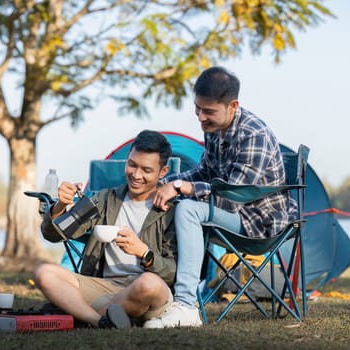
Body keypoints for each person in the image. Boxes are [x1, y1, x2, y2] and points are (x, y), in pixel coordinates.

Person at [146, 66, 298, 328]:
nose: (201, 118)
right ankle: (162, 295)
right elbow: (204, 172)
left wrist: (181, 187)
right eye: (197, 109)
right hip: (235, 216)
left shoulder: (254, 134)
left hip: (259, 224)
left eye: (208, 111)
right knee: (174, 203)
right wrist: (163, 184)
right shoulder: (214, 128)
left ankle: (185, 306)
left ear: (233, 105)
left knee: (188, 209)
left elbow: (232, 197)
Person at [34, 130, 177, 329]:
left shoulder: (171, 210)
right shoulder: (105, 199)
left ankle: (80, 315)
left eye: (146, 170)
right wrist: (59, 207)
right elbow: (54, 234)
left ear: (163, 172)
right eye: (132, 165)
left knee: (148, 284)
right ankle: (99, 321)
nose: (136, 175)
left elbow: (174, 273)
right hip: (103, 286)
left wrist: (145, 253)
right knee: (44, 272)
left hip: (146, 289)